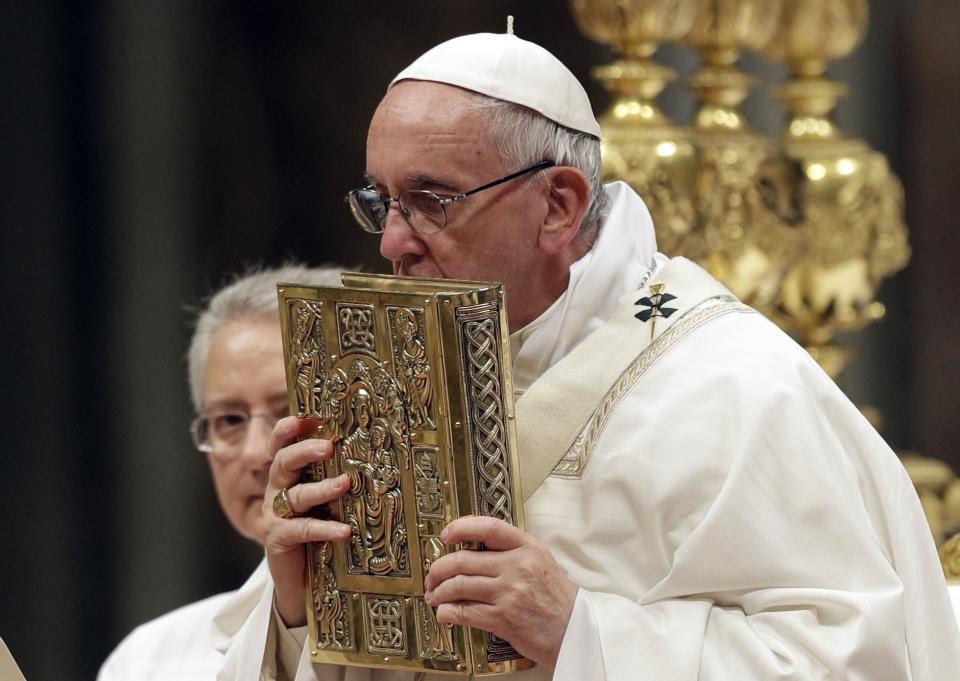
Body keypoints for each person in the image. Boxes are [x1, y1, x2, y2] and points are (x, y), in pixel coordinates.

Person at [221, 31, 960, 681]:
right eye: (381, 201)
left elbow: (856, 662)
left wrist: (581, 630)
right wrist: (298, 606)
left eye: (431, 200)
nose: (392, 242)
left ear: (560, 205)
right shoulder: (385, 378)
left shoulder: (737, 386)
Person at [97, 264, 344, 681]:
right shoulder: (148, 661)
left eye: (289, 414)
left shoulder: (474, 623)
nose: (256, 454)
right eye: (230, 420)